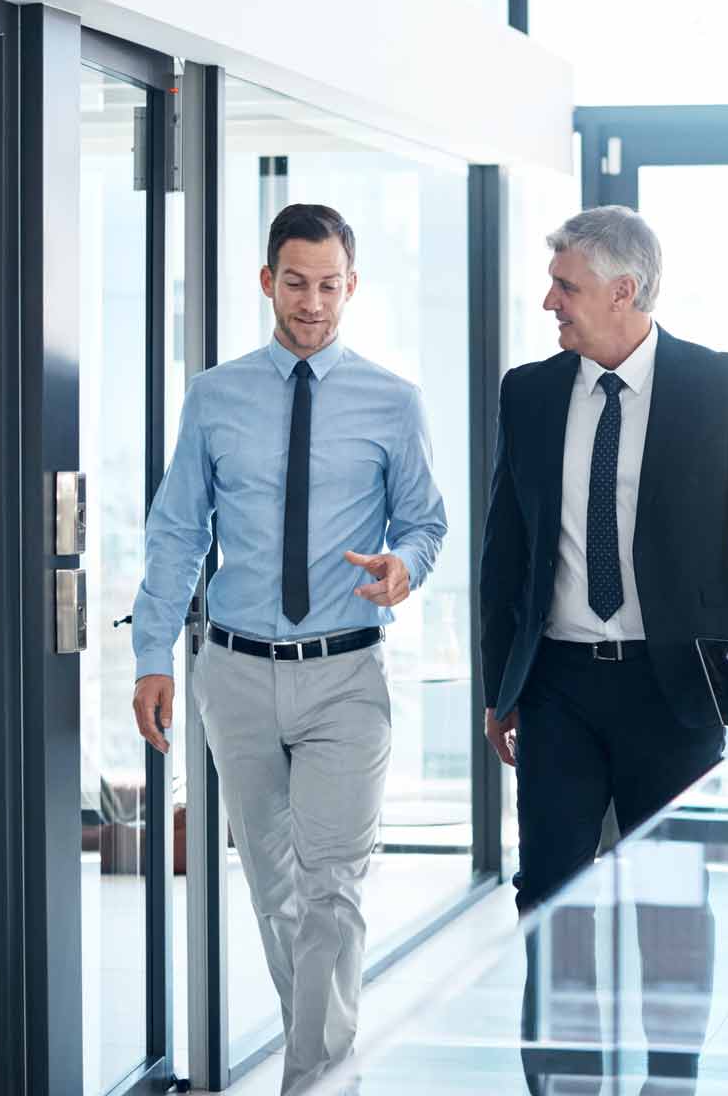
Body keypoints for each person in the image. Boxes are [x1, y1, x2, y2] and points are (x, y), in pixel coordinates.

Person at [480, 206, 728, 1092]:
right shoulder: (530, 391)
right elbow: (504, 548)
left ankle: (672, 1078)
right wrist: (496, 685)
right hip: (556, 686)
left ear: (624, 291)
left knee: (669, 904)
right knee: (551, 898)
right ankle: (561, 1079)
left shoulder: (720, 385)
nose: (550, 302)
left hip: (677, 692)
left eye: (567, 287)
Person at [130, 202, 446, 1095]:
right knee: (277, 891)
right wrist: (155, 657)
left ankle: (314, 1079)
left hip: (346, 671)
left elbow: (425, 520)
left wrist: (404, 568)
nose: (314, 303)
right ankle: (317, 1058)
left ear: (354, 287)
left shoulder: (393, 400)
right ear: (268, 281)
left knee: (335, 890)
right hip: (232, 672)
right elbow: (177, 534)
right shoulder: (213, 396)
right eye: (297, 283)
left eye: (331, 285)